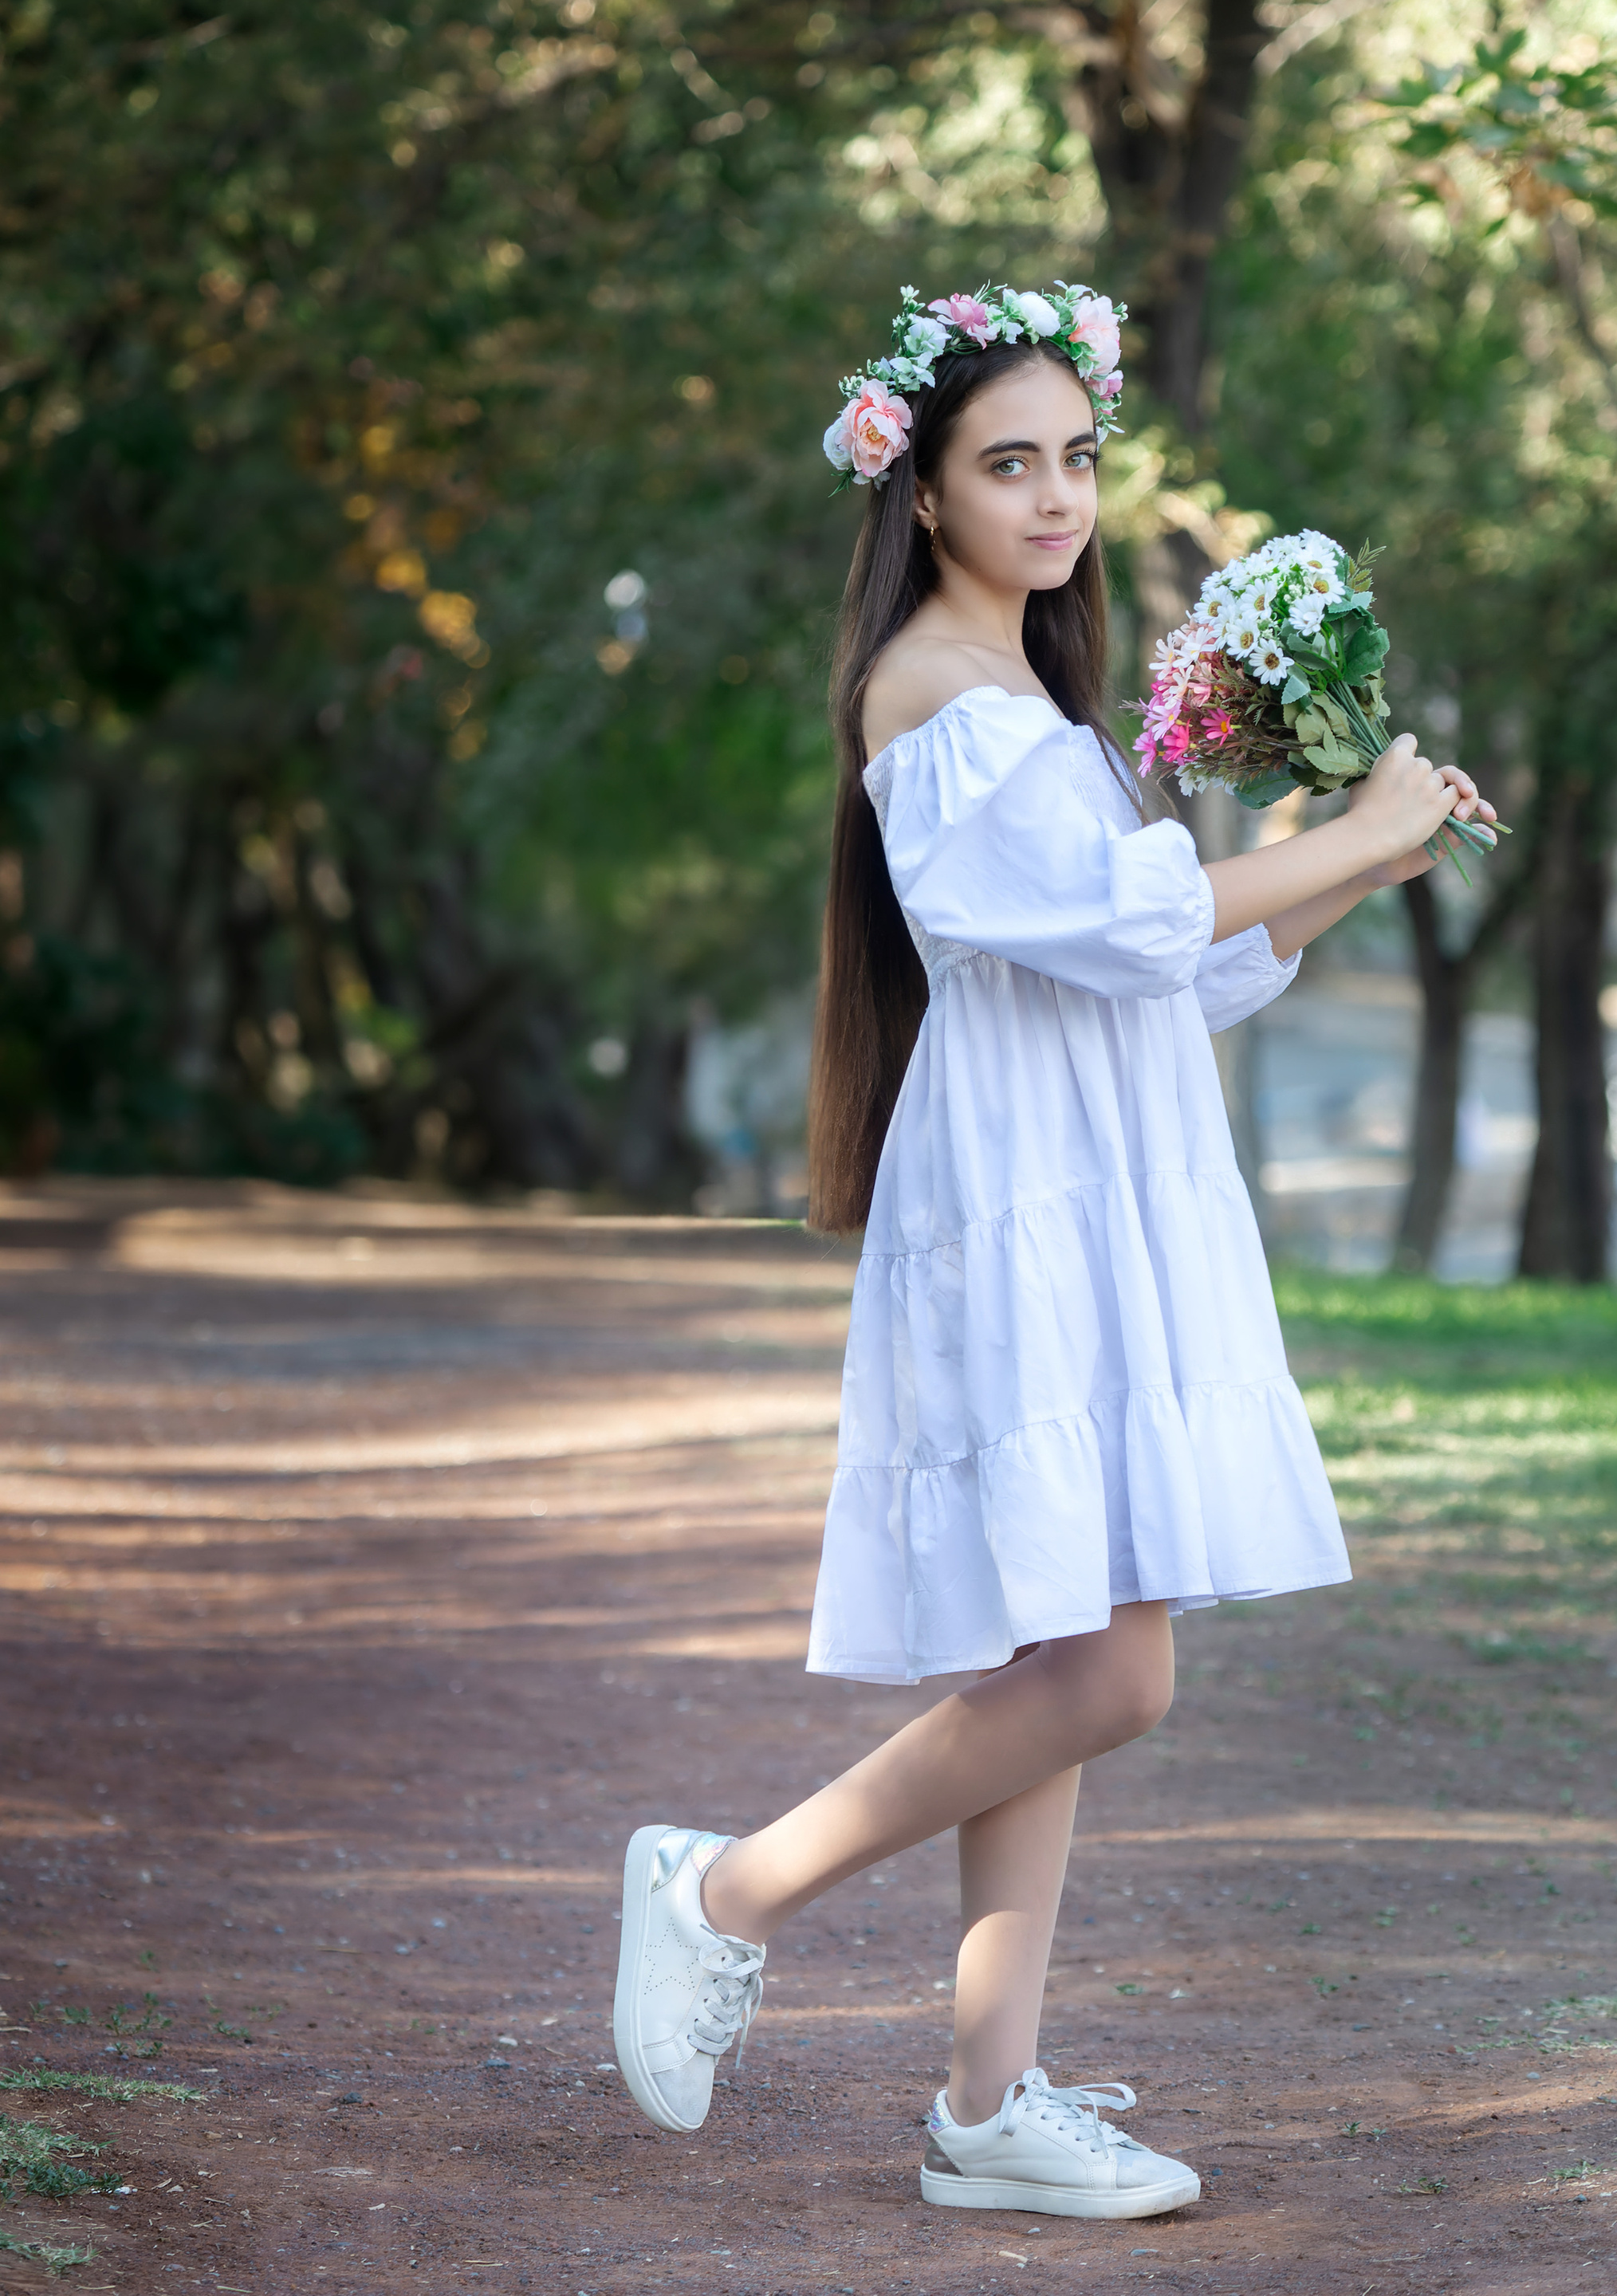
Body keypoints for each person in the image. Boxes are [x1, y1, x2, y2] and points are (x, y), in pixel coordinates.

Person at [612, 284, 1494, 2221]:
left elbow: (1161, 977)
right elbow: (1117, 925)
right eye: (1006, 463)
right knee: (1112, 1672)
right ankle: (723, 1887)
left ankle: (986, 2099)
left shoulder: (1032, 705)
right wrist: (1348, 826)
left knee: (1070, 1643)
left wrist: (1366, 858)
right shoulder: (929, 687)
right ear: (918, 492)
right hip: (1020, 1209)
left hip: (1101, 1179)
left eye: (1074, 458)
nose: (1053, 495)